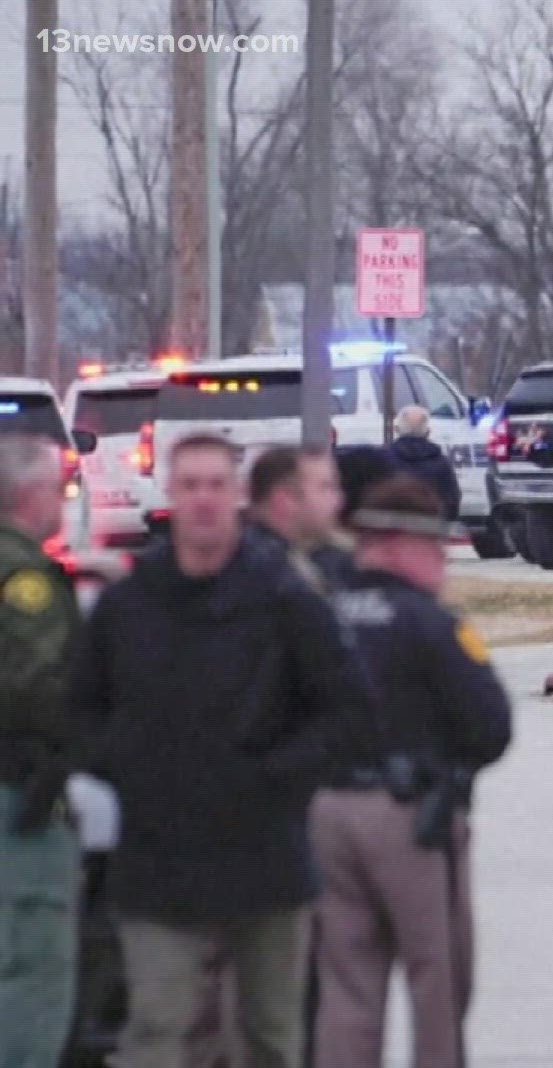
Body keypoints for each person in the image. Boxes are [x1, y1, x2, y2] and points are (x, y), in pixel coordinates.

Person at [69, 432, 375, 1068]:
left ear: (237, 496)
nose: (204, 500)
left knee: (269, 1037)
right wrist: (128, 764)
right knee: (157, 1032)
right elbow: (79, 710)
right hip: (158, 861)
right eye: (190, 485)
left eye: (216, 485)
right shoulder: (130, 606)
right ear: (169, 496)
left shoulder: (284, 600)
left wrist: (280, 772)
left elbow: (349, 709)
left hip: (266, 856)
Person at [311, 475, 512, 1068]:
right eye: (435, 548)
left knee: (347, 987)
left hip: (326, 813)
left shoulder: (320, 616)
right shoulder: (428, 622)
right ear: (401, 544)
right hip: (410, 817)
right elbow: (491, 723)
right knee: (439, 983)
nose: (441, 564)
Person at [0, 437, 83, 1066]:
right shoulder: (23, 579)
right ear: (31, 495)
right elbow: (39, 687)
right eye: (58, 487)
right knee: (33, 977)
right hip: (19, 801)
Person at [249, 445, 354, 589]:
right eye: (325, 487)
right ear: (284, 499)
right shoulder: (254, 571)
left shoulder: (340, 553)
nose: (339, 499)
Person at [389, 407, 462, 523]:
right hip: (431, 530)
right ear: (428, 432)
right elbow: (452, 503)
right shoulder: (441, 463)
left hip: (392, 531)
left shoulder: (383, 462)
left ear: (396, 430)